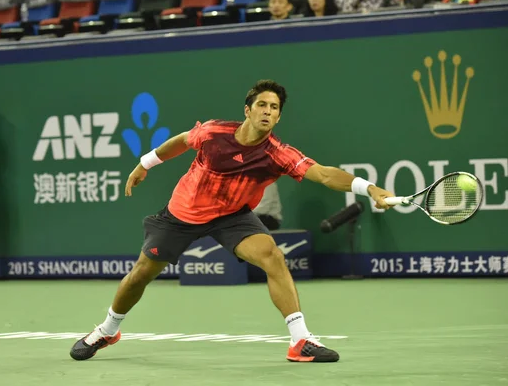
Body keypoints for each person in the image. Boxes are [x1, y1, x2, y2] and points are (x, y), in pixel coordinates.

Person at [70, 80, 394, 363]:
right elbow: (183, 140)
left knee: (272, 257)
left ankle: (300, 340)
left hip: (232, 216)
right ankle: (108, 330)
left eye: (275, 108)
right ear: (248, 110)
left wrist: (369, 188)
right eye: (262, 105)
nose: (268, 111)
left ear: (279, 116)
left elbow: (323, 174)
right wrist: (145, 163)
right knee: (141, 274)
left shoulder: (277, 153)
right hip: (183, 214)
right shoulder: (213, 133)